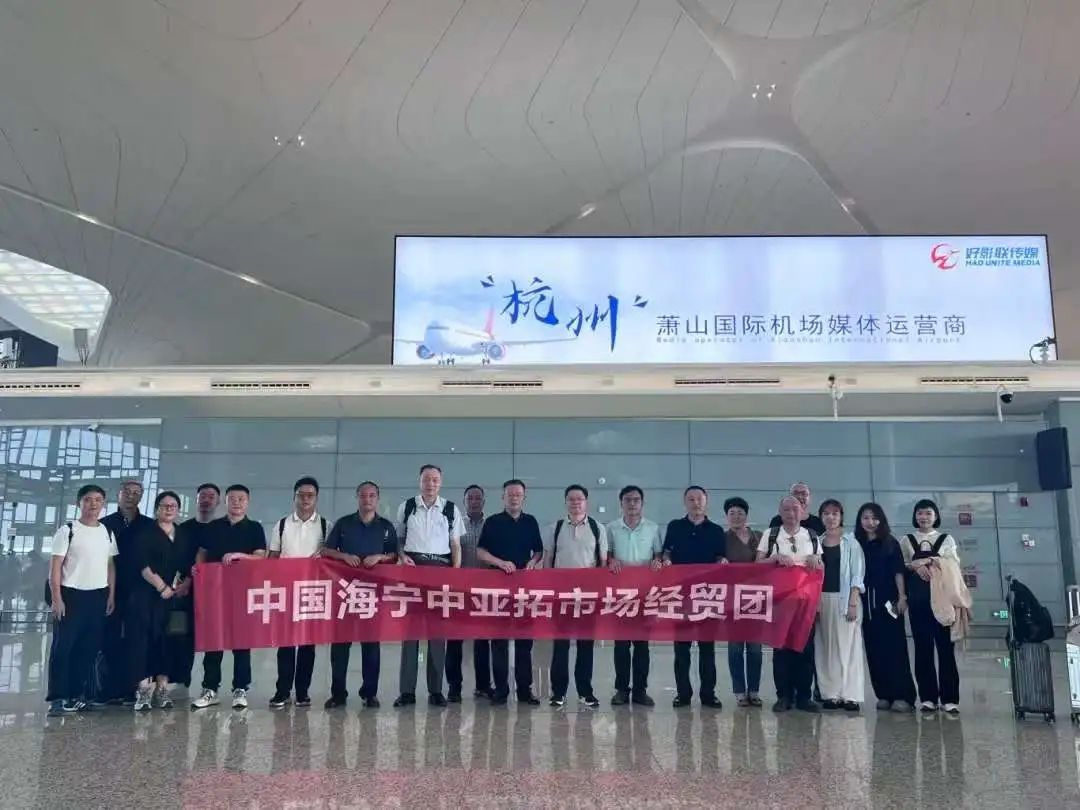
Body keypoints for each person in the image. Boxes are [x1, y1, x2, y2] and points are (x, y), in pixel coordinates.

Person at [322, 481, 398, 709]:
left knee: (371, 645)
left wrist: (380, 557)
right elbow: (326, 550)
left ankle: (369, 693)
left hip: (373, 595)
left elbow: (395, 555)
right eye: (363, 495)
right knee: (340, 645)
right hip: (344, 592)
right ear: (357, 498)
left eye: (372, 495)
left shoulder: (386, 527)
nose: (367, 499)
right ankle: (338, 693)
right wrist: (344, 556)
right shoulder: (344, 524)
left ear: (377, 499)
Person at [394, 464, 464, 708]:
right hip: (413, 571)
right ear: (419, 481)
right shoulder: (407, 507)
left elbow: (455, 545)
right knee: (409, 635)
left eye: (435, 479)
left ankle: (436, 691)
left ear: (440, 483)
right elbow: (398, 540)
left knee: (437, 635)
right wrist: (402, 556)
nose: (430, 484)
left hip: (440, 572)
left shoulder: (450, 509)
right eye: (426, 479)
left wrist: (455, 572)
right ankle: (407, 692)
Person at [191, 484, 267, 711]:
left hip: (243, 592)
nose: (236, 502)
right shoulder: (213, 527)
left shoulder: (254, 528)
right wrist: (198, 569)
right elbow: (202, 553)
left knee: (241, 642)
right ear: (225, 501)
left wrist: (239, 556)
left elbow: (260, 557)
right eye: (232, 498)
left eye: (241, 499)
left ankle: (240, 689)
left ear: (248, 502)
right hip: (214, 592)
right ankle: (210, 689)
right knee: (213, 641)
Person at [46, 484, 117, 715]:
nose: (93, 504)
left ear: (103, 504)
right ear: (79, 503)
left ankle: (77, 694)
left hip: (97, 596)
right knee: (63, 648)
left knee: (88, 649)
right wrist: (57, 598)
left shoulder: (107, 531)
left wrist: (111, 595)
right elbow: (55, 567)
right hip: (71, 595)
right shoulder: (68, 530)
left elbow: (110, 566)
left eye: (98, 499)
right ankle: (58, 698)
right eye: (88, 499)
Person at [476, 479, 544, 706]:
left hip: (524, 588)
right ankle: (501, 690)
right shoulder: (493, 522)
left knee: (525, 641)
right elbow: (480, 552)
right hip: (498, 587)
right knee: (499, 641)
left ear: (524, 497)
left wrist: (533, 562)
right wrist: (500, 562)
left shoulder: (530, 521)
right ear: (503, 497)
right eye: (510, 494)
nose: (514, 498)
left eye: (518, 494)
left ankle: (525, 690)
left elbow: (538, 551)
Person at [268, 477, 331, 709]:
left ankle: (302, 692)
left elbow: (331, 558)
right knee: (285, 645)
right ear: (294, 497)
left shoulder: (325, 525)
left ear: (316, 498)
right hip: (286, 591)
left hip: (312, 593)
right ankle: (282, 691)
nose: (305, 499)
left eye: (310, 495)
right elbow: (272, 558)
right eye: (301, 495)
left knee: (307, 645)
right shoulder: (281, 525)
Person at [543, 484, 609, 709]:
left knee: (585, 645)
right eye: (571, 499)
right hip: (561, 596)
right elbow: (548, 560)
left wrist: (600, 594)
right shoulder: (556, 528)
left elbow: (602, 563)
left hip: (588, 597)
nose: (575, 503)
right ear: (565, 502)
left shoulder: (597, 528)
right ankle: (558, 693)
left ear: (586, 502)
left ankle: (585, 692)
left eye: (579, 499)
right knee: (560, 645)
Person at [127, 491, 194, 711]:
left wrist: (185, 584)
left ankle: (162, 689)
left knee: (169, 641)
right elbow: (142, 565)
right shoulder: (145, 533)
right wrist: (161, 586)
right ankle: (143, 690)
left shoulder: (183, 534)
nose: (169, 509)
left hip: (175, 600)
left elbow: (190, 566)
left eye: (173, 506)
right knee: (144, 641)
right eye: (165, 506)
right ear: (157, 509)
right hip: (146, 597)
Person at [661, 485, 726, 710]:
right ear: (685, 502)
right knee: (682, 649)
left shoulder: (716, 530)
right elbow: (666, 552)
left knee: (707, 649)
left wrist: (722, 562)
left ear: (706, 502)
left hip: (707, 596)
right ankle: (683, 694)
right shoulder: (675, 527)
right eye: (691, 499)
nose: (695, 503)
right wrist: (666, 560)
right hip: (681, 596)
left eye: (699, 499)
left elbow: (721, 557)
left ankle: (708, 694)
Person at [758, 495, 822, 714]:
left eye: (795, 509)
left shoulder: (811, 535)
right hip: (780, 603)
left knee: (805, 649)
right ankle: (783, 696)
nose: (791, 513)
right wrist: (774, 558)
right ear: (780, 512)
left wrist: (816, 560)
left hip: (806, 603)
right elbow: (757, 565)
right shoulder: (771, 534)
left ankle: (804, 696)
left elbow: (821, 569)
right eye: (786, 509)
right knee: (781, 650)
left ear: (802, 512)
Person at [854, 502, 916, 713]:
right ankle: (884, 694)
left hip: (889, 602)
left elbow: (898, 572)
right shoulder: (856, 544)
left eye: (874, 518)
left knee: (894, 648)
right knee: (874, 650)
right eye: (865, 518)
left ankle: (903, 695)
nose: (870, 522)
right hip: (866, 604)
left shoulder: (890, 543)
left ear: (881, 520)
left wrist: (902, 597)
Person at [901, 498, 961, 715]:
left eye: (928, 513)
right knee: (922, 649)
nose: (924, 517)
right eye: (920, 513)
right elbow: (901, 566)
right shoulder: (907, 540)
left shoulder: (946, 539)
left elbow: (953, 564)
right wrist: (914, 567)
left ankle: (950, 699)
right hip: (918, 602)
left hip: (942, 602)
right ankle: (927, 698)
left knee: (946, 650)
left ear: (936, 516)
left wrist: (929, 562)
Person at [99, 479, 155, 704]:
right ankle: (110, 688)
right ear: (118, 494)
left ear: (141, 497)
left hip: (141, 590)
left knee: (138, 639)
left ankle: (134, 687)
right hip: (110, 589)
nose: (131, 496)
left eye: (136, 493)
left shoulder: (149, 525)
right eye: (127, 492)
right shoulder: (104, 524)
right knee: (110, 638)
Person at [606, 485, 662, 707]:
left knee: (641, 645)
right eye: (627, 500)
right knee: (621, 645)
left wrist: (657, 561)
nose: (632, 503)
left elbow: (658, 555)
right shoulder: (611, 528)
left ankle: (640, 690)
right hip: (620, 595)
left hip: (645, 594)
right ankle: (621, 690)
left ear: (642, 503)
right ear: (621, 503)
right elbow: (607, 555)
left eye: (636, 500)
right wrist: (611, 560)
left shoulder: (653, 528)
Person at [813, 500, 866, 712]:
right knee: (826, 647)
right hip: (822, 599)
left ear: (841, 516)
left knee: (849, 647)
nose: (830, 517)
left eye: (835, 513)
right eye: (826, 513)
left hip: (846, 599)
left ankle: (850, 695)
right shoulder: (816, 542)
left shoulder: (851, 542)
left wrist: (853, 601)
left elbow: (857, 574)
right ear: (821, 517)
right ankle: (830, 694)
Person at [446, 484, 491, 702]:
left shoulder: (492, 525)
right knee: (454, 641)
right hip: (459, 591)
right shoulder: (455, 523)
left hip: (484, 592)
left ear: (484, 502)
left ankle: (483, 686)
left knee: (483, 642)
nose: (474, 502)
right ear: (464, 501)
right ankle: (454, 688)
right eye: (470, 498)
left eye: (477, 498)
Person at [174, 483, 220, 689]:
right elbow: (178, 559)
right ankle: (181, 679)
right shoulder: (183, 529)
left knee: (212, 638)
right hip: (185, 591)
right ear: (197, 499)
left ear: (218, 502)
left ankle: (210, 685)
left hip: (214, 592)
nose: (206, 500)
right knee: (182, 634)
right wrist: (183, 582)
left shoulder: (221, 529)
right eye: (203, 496)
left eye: (211, 496)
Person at [722, 496, 763, 707]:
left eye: (740, 513)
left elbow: (768, 561)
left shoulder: (759, 536)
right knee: (736, 647)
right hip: (732, 600)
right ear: (726, 517)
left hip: (757, 598)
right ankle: (739, 691)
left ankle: (754, 691)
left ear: (746, 515)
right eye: (732, 513)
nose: (736, 517)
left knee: (755, 648)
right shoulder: (723, 539)